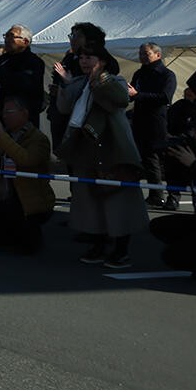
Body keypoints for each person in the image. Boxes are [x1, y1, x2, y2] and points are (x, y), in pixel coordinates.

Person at [55, 47, 145, 269]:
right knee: (91, 204)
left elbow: (120, 99)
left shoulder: (115, 80)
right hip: (87, 150)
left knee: (120, 204)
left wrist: (99, 79)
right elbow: (64, 107)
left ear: (103, 61)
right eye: (82, 58)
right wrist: (65, 83)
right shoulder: (79, 82)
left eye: (90, 57)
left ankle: (121, 250)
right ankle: (98, 244)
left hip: (114, 150)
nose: (84, 61)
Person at [0, 96, 54, 254]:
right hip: (5, 200)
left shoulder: (38, 139)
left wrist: (2, 135)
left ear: (24, 113)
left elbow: (25, 160)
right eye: (3, 112)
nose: (5, 116)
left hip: (31, 202)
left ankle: (28, 236)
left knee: (26, 245)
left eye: (9, 112)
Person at [155, 115, 196, 280]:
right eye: (195, 130)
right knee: (160, 226)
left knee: (175, 256)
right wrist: (174, 160)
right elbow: (179, 181)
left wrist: (194, 164)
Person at [129, 42, 178, 209]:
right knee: (149, 160)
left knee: (166, 160)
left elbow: (165, 97)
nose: (142, 56)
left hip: (158, 122)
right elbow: (131, 95)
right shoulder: (139, 73)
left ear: (158, 55)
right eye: (141, 53)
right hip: (140, 120)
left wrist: (138, 95)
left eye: (146, 53)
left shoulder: (167, 74)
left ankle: (174, 195)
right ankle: (155, 194)